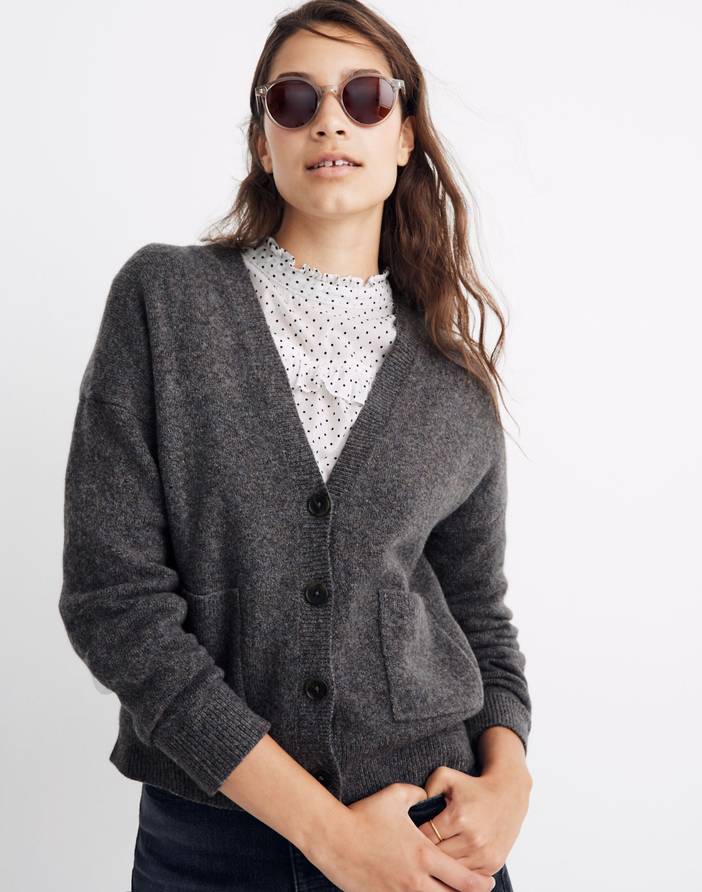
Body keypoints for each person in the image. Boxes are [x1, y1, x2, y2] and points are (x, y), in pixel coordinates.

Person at [59, 2, 533, 890]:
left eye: (365, 97)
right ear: (261, 138)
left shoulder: (452, 376)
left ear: (404, 134)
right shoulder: (166, 301)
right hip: (212, 845)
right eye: (295, 99)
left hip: (433, 827)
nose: (330, 121)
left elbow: (478, 610)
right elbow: (114, 605)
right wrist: (331, 838)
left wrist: (510, 779)